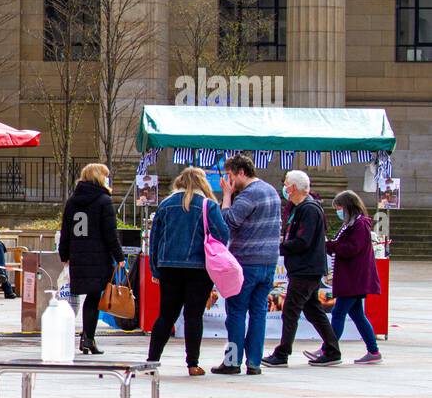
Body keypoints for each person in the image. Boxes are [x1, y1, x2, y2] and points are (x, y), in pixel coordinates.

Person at [146, 167, 230, 375]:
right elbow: (222, 235)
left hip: (169, 268)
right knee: (194, 316)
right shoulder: (207, 205)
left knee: (166, 315)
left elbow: (154, 240)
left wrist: (155, 269)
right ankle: (192, 364)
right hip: (199, 269)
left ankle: (151, 361)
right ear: (202, 183)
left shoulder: (165, 205)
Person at [262, 170, 341, 367]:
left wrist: (280, 246)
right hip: (305, 267)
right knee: (312, 309)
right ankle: (332, 349)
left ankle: (282, 353)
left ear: (294, 187)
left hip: (306, 268)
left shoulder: (309, 209)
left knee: (290, 309)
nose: (285, 188)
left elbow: (303, 241)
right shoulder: (301, 208)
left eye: (286, 184)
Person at [214, 154, 282, 375]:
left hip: (246, 262)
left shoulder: (249, 195)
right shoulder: (271, 190)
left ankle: (233, 361)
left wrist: (226, 196)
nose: (230, 180)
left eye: (231, 176)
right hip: (268, 262)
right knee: (259, 313)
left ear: (241, 172)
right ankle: (254, 362)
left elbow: (228, 222)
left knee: (235, 312)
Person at [59, 163, 125, 354]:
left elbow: (65, 231)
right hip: (98, 256)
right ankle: (88, 338)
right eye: (106, 176)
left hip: (78, 256)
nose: (107, 179)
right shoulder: (103, 200)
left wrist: (64, 254)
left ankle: (86, 337)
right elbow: (110, 233)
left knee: (88, 297)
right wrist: (119, 256)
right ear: (99, 177)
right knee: (94, 297)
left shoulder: (72, 201)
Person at [315, 190, 382, 365]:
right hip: (353, 277)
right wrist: (330, 245)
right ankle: (373, 350)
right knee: (358, 315)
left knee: (338, 313)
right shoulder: (352, 224)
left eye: (339, 208)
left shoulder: (359, 225)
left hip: (354, 278)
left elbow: (352, 248)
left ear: (347, 206)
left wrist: (331, 245)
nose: (338, 211)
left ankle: (328, 349)